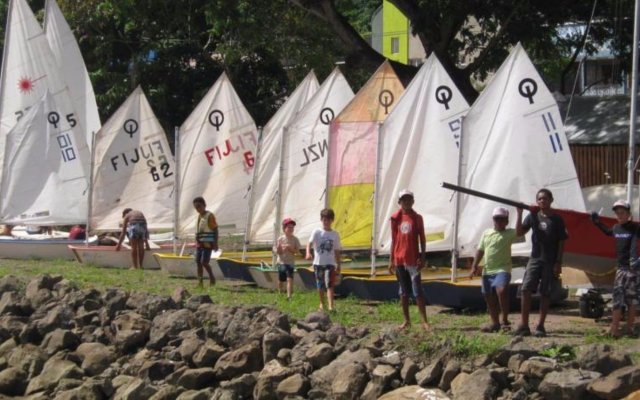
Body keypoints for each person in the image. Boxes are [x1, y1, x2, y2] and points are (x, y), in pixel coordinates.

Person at [514, 188, 568, 337]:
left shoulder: (557, 219)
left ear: (551, 200)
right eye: (539, 199)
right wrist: (519, 213)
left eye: (545, 198)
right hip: (535, 258)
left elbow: (562, 241)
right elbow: (519, 233)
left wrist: (558, 262)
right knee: (525, 289)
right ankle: (524, 325)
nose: (542, 201)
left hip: (550, 261)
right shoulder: (532, 216)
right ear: (537, 201)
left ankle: (540, 326)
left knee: (545, 293)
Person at [591, 200, 639, 338]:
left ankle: (630, 330)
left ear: (628, 214)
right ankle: (614, 329)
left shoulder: (635, 228)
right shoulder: (616, 228)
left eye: (622, 213)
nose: (620, 215)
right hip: (620, 269)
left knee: (631, 301)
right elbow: (607, 232)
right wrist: (597, 222)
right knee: (617, 300)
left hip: (633, 271)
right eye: (617, 213)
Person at [470, 207, 523, 333]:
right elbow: (480, 250)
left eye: (502, 219)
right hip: (488, 271)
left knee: (502, 290)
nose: (499, 221)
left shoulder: (510, 233)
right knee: (488, 296)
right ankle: (495, 323)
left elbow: (520, 232)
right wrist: (474, 266)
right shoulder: (487, 233)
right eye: (496, 218)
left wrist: (520, 213)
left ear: (506, 221)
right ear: (493, 220)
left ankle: (504, 319)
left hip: (502, 268)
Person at [388, 189, 430, 332]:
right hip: (399, 259)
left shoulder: (417, 218)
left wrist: (423, 257)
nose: (406, 202)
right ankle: (406, 320)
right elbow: (394, 240)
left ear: (413, 201)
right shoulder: (395, 218)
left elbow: (422, 239)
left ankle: (424, 321)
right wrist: (391, 260)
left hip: (413, 260)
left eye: (409, 199)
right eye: (403, 200)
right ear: (399, 202)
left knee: (418, 291)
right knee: (403, 292)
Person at [306, 208, 341, 312]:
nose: (326, 222)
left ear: (332, 220)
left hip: (330, 263)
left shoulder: (335, 234)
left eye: (329, 220)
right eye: (324, 220)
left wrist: (338, 264)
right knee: (320, 285)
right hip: (318, 263)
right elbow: (309, 243)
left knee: (330, 284)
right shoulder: (317, 232)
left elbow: (337, 250)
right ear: (321, 220)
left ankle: (331, 306)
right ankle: (322, 302)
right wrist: (308, 252)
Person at [193, 197, 218, 287]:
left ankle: (212, 278)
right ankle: (200, 282)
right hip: (199, 244)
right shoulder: (199, 216)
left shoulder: (209, 216)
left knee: (204, 262)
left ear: (204, 205)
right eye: (196, 208)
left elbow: (215, 229)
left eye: (199, 207)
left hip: (207, 244)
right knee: (198, 263)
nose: (198, 209)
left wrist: (215, 244)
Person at [274, 218, 301, 300]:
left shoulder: (295, 239)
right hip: (281, 262)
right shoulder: (280, 239)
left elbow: (297, 251)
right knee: (281, 279)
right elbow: (277, 252)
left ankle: (289, 296)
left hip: (290, 263)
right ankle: (280, 292)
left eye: (292, 227)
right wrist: (280, 249)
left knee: (290, 278)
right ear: (284, 229)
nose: (291, 229)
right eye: (289, 227)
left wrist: (290, 249)